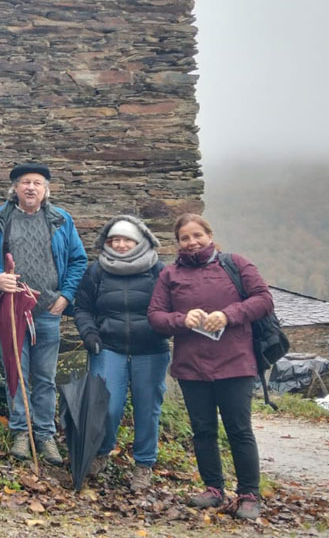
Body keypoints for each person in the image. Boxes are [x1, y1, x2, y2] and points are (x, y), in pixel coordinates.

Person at [148, 213, 274, 521]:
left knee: (239, 429)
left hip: (235, 363)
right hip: (191, 366)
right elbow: (155, 316)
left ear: (209, 235)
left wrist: (230, 314)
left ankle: (248, 494)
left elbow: (263, 299)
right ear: (177, 243)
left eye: (197, 236)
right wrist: (181, 320)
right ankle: (213, 489)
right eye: (185, 238)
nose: (192, 242)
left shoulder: (236, 264)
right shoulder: (169, 275)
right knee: (203, 430)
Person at [0, 162, 86, 465]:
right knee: (15, 373)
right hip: (11, 310)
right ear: (15, 189)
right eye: (24, 183)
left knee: (45, 376)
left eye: (37, 183)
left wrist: (66, 296)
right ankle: (21, 431)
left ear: (46, 189)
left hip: (48, 309)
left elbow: (77, 260)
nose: (30, 187)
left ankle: (45, 435)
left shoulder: (61, 220)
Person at [73, 215, 168, 490]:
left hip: (150, 349)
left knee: (147, 408)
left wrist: (165, 329)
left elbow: (173, 306)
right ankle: (101, 453)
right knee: (107, 405)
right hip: (108, 347)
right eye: (114, 239)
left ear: (139, 241)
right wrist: (89, 333)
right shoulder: (97, 271)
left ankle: (144, 464)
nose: (120, 244)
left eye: (126, 239)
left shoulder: (158, 271)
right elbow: (83, 308)